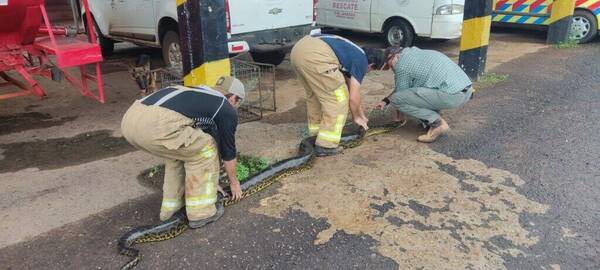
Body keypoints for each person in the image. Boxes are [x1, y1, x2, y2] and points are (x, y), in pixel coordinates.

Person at [121, 76, 245, 228]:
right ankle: (201, 213)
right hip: (155, 124)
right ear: (233, 98)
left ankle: (170, 210)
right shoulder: (224, 106)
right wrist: (234, 183)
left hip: (130, 120)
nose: (236, 108)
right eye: (239, 103)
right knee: (206, 149)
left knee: (181, 150)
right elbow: (228, 152)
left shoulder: (199, 94)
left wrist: (210, 182)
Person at [290, 33, 387, 156]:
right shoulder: (361, 61)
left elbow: (354, 92)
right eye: (371, 70)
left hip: (299, 50)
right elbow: (352, 98)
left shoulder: (352, 54)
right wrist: (356, 117)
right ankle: (326, 145)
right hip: (316, 56)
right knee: (338, 99)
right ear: (371, 65)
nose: (367, 72)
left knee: (315, 97)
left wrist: (361, 115)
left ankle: (315, 136)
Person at [374, 46, 473, 143]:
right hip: (466, 90)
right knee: (418, 91)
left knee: (397, 100)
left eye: (388, 65)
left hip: (453, 96)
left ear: (394, 56)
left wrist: (398, 118)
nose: (390, 68)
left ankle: (437, 124)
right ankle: (431, 118)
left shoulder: (401, 65)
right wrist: (385, 101)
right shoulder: (412, 53)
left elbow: (400, 95)